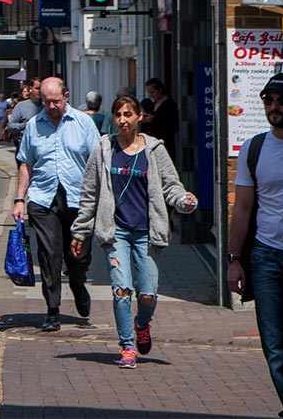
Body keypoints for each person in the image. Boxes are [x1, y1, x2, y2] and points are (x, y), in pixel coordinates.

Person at [70, 95, 198, 368]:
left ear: (139, 117)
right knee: (121, 290)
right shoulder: (104, 148)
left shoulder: (154, 150)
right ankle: (127, 347)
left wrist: (183, 201)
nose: (122, 120)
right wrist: (80, 231)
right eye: (118, 115)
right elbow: (89, 193)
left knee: (148, 294)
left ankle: (142, 324)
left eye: (128, 114)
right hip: (116, 233)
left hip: (146, 234)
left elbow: (170, 186)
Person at [229, 72, 283, 418]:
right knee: (276, 347)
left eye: (281, 101)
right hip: (267, 259)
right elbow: (243, 207)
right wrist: (234, 260)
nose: (273, 107)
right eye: (267, 101)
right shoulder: (255, 148)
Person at [14, 76, 101, 332]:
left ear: (67, 96)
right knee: (49, 255)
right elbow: (26, 163)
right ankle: (52, 310)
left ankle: (78, 284)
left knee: (78, 257)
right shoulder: (34, 125)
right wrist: (20, 198)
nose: (51, 107)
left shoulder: (83, 123)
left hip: (77, 199)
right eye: (46, 102)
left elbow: (97, 163)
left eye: (56, 101)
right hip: (43, 199)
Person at [141, 78, 178, 147]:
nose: (150, 95)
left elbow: (172, 124)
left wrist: (154, 120)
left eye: (152, 92)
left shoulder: (169, 104)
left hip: (165, 142)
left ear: (160, 90)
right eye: (148, 93)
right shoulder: (151, 104)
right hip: (151, 141)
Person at [6, 78, 41, 145]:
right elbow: (10, 126)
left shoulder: (49, 106)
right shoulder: (21, 106)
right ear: (30, 89)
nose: (40, 91)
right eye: (37, 88)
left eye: (41, 88)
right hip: (26, 146)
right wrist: (25, 125)